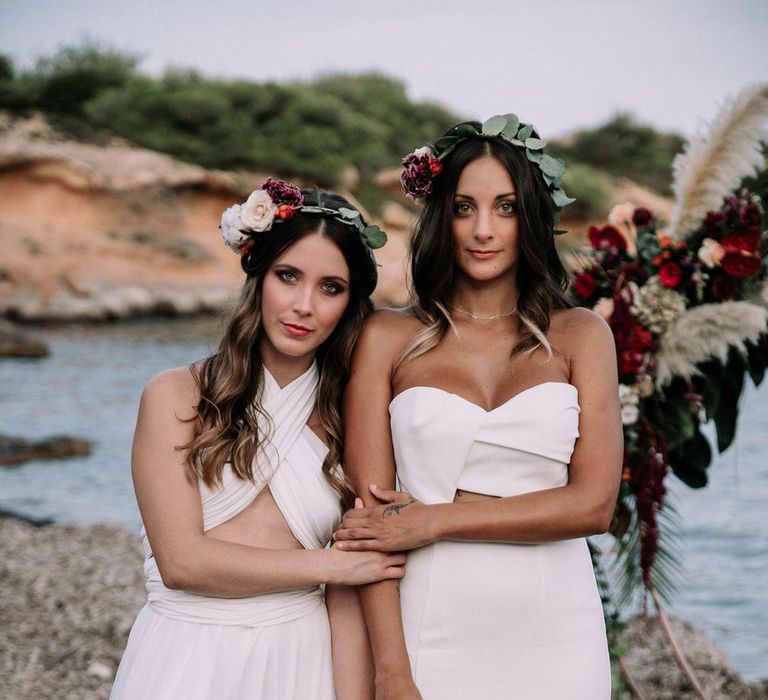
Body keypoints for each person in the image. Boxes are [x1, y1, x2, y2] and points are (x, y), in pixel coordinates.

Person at [334, 116, 623, 699]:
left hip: (558, 631)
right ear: (442, 216)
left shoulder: (582, 335)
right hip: (429, 627)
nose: (483, 230)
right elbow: (368, 524)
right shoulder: (387, 337)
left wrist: (436, 519)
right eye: (464, 207)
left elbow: (593, 505)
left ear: (533, 217)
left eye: (506, 208)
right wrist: (391, 671)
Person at [111, 179, 404, 700]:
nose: (304, 305)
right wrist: (332, 565)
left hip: (302, 661)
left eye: (330, 287)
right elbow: (182, 564)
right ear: (258, 277)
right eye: (288, 277)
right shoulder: (178, 396)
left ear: (349, 304)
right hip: (184, 656)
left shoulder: (349, 419)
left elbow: (348, 595)